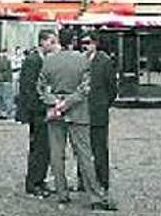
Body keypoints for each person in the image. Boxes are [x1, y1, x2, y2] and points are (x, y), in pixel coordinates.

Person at [37, 31, 116, 211]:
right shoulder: (83, 60)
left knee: (57, 155)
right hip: (78, 112)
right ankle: (95, 195)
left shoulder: (48, 60)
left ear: (58, 40)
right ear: (73, 41)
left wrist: (56, 103)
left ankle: (62, 193)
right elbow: (84, 89)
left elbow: (41, 88)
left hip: (55, 112)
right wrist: (68, 103)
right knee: (84, 155)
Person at [18, 30, 60, 198]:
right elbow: (30, 88)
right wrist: (43, 107)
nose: (54, 44)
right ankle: (33, 183)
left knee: (44, 148)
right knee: (39, 148)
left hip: (41, 110)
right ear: (43, 42)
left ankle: (39, 180)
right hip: (38, 112)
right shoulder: (33, 60)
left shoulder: (42, 59)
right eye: (52, 41)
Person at [75, 32, 118, 192]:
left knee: (99, 149)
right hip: (80, 112)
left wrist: (103, 104)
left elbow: (112, 88)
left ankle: (102, 181)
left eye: (87, 42)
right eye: (82, 43)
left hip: (98, 112)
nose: (84, 46)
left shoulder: (105, 61)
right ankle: (83, 181)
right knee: (82, 149)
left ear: (95, 44)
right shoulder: (78, 60)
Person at [0, 49, 14, 119]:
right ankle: (6, 113)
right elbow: (5, 69)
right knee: (6, 97)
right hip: (5, 80)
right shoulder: (6, 59)